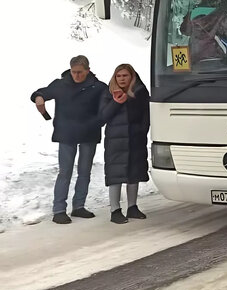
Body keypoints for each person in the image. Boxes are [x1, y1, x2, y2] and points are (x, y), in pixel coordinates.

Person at [31, 55, 107, 224]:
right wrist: (39, 98)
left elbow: (107, 107)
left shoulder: (98, 87)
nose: (77, 75)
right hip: (66, 134)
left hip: (89, 133)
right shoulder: (61, 84)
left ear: (88, 70)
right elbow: (41, 92)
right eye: (74, 72)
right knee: (65, 172)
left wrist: (97, 122)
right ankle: (59, 210)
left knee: (84, 172)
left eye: (80, 72)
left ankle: (79, 206)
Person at [99, 64, 151, 224]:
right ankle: (115, 209)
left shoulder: (140, 93)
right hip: (116, 140)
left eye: (125, 76)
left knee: (133, 173)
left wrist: (142, 131)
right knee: (116, 174)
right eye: (119, 76)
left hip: (135, 138)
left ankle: (132, 207)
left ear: (132, 77)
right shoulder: (108, 93)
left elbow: (146, 115)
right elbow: (102, 118)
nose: (121, 79)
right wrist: (116, 102)